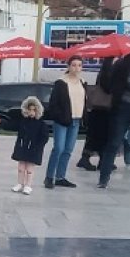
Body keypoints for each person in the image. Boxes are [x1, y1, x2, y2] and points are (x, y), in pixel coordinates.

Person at [44, 55, 86, 189]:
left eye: (79, 65)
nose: (76, 68)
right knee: (59, 148)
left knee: (68, 150)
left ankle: (60, 176)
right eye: (74, 65)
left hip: (76, 119)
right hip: (63, 120)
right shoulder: (61, 82)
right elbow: (53, 104)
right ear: (68, 66)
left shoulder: (82, 82)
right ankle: (49, 177)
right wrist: (60, 116)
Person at [98, 52, 130, 188]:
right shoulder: (122, 64)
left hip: (122, 105)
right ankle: (104, 178)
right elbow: (109, 84)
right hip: (122, 106)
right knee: (113, 143)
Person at [77, 57, 115, 171]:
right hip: (104, 110)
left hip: (98, 111)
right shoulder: (108, 75)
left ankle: (98, 159)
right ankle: (93, 160)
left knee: (95, 136)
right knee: (101, 136)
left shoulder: (103, 73)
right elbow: (108, 88)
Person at [11, 96, 50, 195]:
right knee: (21, 168)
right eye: (29, 109)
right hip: (22, 147)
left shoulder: (41, 124)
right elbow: (12, 126)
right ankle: (20, 183)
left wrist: (38, 146)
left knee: (29, 169)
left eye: (34, 110)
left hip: (34, 149)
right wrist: (1, 123)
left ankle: (28, 185)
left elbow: (44, 137)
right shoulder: (23, 121)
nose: (31, 112)